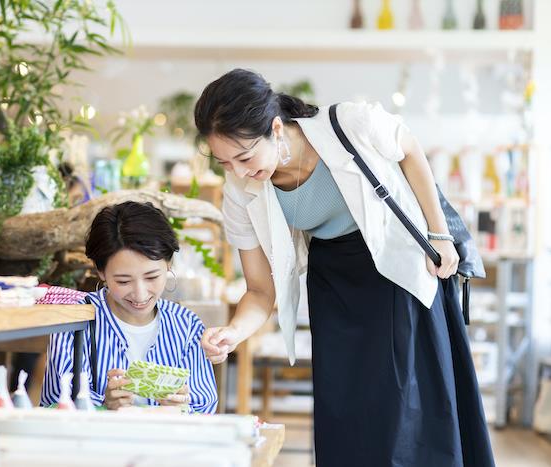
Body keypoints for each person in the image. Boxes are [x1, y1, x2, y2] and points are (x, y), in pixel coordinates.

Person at [195, 69, 494, 466]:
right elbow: (260, 290)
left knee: (408, 415)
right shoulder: (239, 191)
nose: (238, 171)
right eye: (225, 162)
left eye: (245, 156)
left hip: (396, 270)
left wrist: (439, 234)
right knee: (345, 416)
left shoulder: (349, 123)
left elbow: (410, 149)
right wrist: (233, 332)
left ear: (276, 129)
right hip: (333, 281)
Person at [40, 201, 218, 413]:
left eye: (152, 277)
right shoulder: (74, 319)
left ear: (169, 263)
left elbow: (205, 407)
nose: (140, 294)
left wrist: (182, 409)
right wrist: (104, 406)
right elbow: (55, 402)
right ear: (101, 272)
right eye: (124, 281)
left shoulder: (185, 324)